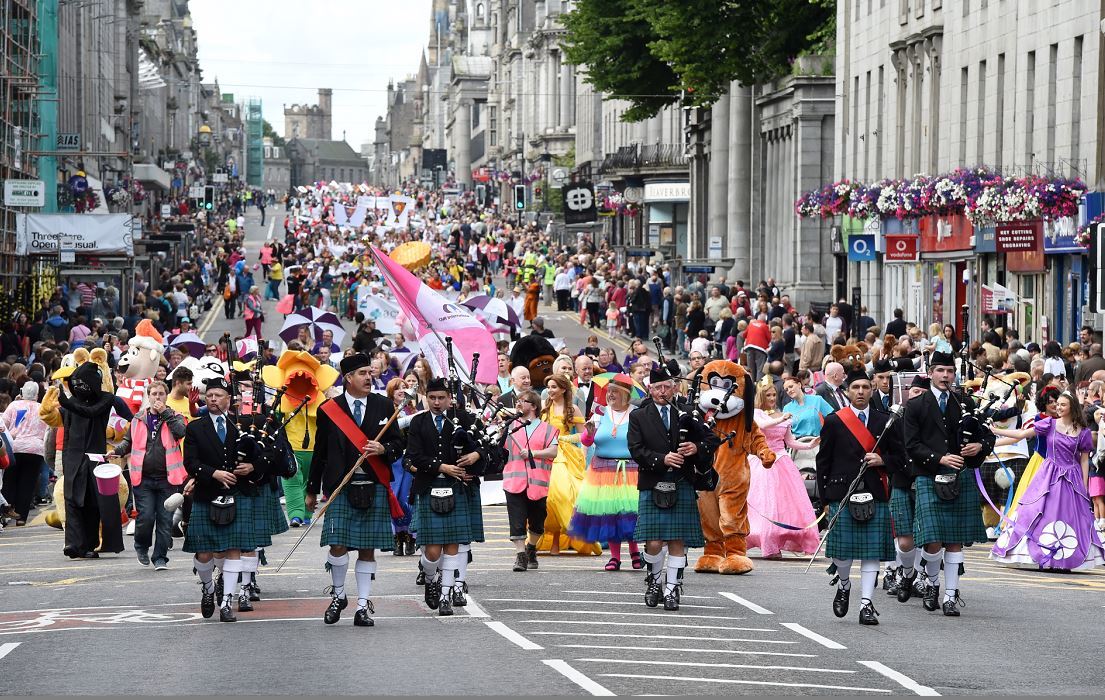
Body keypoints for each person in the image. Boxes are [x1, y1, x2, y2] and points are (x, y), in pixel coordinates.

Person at [306, 354, 405, 627]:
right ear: (348, 378)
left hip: (373, 484)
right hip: (341, 485)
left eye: (369, 373)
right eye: (362, 373)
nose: (368, 377)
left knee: (367, 548)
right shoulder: (329, 410)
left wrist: (385, 449)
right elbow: (321, 452)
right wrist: (312, 489)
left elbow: (398, 443)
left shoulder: (384, 405)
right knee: (337, 546)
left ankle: (363, 605)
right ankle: (339, 595)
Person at [903, 351, 992, 617]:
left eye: (950, 371)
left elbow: (987, 435)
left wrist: (981, 445)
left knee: (954, 541)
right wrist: (939, 457)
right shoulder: (916, 406)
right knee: (932, 540)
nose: (946, 376)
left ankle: (951, 596)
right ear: (930, 372)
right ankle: (931, 582)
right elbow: (911, 445)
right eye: (940, 370)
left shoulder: (964, 403)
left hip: (960, 477)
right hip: (930, 475)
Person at [815, 368, 904, 625]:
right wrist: (825, 500)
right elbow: (824, 462)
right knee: (841, 555)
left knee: (871, 554)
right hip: (842, 492)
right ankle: (844, 584)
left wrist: (882, 459)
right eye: (856, 388)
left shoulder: (884, 420)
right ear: (847, 391)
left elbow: (901, 458)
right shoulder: (834, 421)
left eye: (866, 387)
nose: (861, 392)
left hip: (874, 492)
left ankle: (866, 604)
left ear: (872, 389)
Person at [990, 390, 1105, 570]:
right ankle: (1040, 552)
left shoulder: (1083, 433)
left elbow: (1083, 460)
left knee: (1069, 516)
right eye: (1057, 404)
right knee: (1037, 511)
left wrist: (1084, 486)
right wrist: (993, 436)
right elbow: (1021, 435)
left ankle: (1063, 557)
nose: (1058, 407)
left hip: (1072, 478)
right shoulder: (1048, 424)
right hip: (1048, 475)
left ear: (1072, 407)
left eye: (1062, 405)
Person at [627, 368, 712, 611]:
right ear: (650, 389)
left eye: (666, 386)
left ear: (674, 388)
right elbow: (635, 449)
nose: (662, 392)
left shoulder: (686, 413)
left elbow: (710, 440)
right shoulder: (639, 416)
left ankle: (672, 588)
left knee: (677, 539)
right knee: (653, 542)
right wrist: (661, 459)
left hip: (681, 481)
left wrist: (696, 447)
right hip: (653, 480)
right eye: (657, 387)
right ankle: (654, 580)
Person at [182, 378, 265, 622]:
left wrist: (251, 467)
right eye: (210, 396)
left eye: (218, 395)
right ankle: (208, 588)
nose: (213, 399)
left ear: (229, 399)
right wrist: (213, 473)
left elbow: (261, 456)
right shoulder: (195, 428)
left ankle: (227, 601)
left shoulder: (242, 426)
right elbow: (190, 462)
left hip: (237, 493)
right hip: (207, 493)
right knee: (204, 553)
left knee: (234, 550)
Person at [404, 377, 485, 615]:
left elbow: (486, 444)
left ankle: (446, 596)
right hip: (430, 486)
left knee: (452, 546)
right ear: (426, 398)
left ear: (450, 399)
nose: (437, 403)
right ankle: (431, 579)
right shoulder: (418, 422)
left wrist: (476, 456)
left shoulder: (463, 420)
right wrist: (442, 467)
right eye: (432, 398)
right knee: (432, 550)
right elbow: (414, 456)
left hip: (457, 487)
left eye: (441, 398)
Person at [108, 381, 187, 569]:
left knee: (165, 519)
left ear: (166, 396)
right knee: (146, 517)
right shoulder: (138, 418)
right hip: (143, 478)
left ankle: (160, 557)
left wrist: (165, 413)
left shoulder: (175, 417)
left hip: (167, 478)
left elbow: (181, 432)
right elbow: (128, 441)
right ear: (148, 396)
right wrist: (117, 451)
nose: (157, 397)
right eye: (154, 394)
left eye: (161, 394)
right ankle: (141, 546)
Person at [569, 376, 642, 571]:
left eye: (615, 391)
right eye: (609, 391)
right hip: (603, 469)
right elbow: (586, 441)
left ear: (625, 394)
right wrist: (589, 433)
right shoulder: (599, 414)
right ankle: (615, 557)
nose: (610, 395)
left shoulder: (637, 414)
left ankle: (635, 552)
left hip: (631, 469)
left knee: (630, 514)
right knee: (609, 515)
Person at [746, 378, 820, 558]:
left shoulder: (780, 414)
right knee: (764, 502)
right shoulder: (756, 413)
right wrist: (781, 418)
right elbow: (762, 426)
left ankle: (780, 540)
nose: (772, 398)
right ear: (761, 396)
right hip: (761, 461)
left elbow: (790, 442)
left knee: (787, 504)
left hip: (782, 461)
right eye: (768, 395)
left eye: (773, 394)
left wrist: (810, 445)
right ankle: (766, 542)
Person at [539, 374, 598, 555]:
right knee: (546, 499)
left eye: (554, 387)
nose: (550, 390)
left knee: (562, 494)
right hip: (545, 454)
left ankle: (571, 534)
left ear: (563, 389)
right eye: (548, 387)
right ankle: (554, 539)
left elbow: (583, 436)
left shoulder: (572, 409)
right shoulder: (544, 408)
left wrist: (564, 438)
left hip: (565, 456)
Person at [501, 389, 559, 571]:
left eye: (522, 401)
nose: (518, 403)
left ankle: (531, 547)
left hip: (538, 484)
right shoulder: (510, 428)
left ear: (533, 406)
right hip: (513, 482)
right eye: (517, 400)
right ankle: (520, 556)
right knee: (516, 521)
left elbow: (554, 451)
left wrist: (534, 453)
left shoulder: (548, 430)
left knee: (537, 521)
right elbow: (499, 447)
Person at [0, 382, 49, 526]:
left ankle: (6, 513)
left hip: (15, 448)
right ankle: (21, 517)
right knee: (28, 483)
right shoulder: (42, 408)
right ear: (37, 395)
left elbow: (4, 426)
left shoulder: (14, 406)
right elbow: (47, 430)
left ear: (22, 392)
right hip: (35, 449)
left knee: (9, 481)